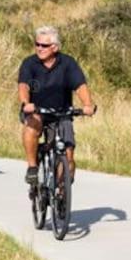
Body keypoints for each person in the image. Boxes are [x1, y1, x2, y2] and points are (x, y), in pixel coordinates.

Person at [18, 26, 95, 186]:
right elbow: (23, 86)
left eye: (44, 45)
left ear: (55, 47)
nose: (39, 48)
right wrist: (26, 103)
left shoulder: (67, 63)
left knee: (68, 156)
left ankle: (61, 192)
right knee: (31, 126)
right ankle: (32, 167)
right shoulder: (29, 63)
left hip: (62, 112)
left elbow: (80, 85)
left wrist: (87, 105)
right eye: (37, 44)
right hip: (38, 111)